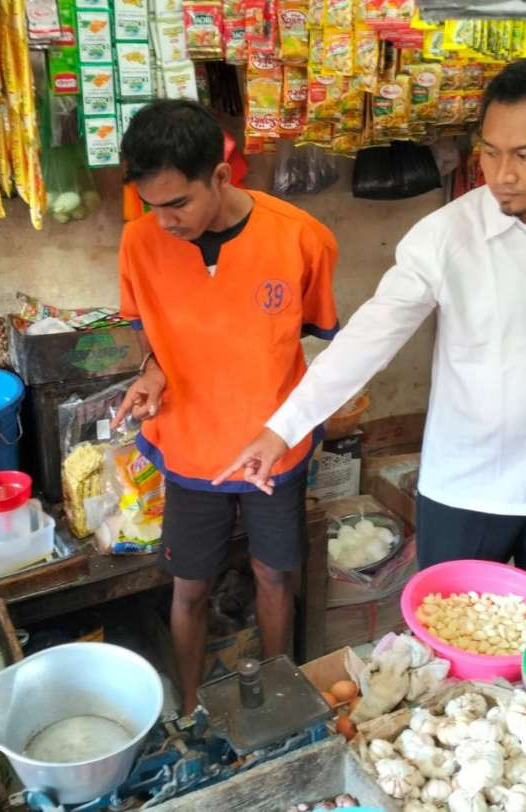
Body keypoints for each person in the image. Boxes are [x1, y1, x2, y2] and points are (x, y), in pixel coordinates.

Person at [215, 57, 526, 575]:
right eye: (490, 152)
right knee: (452, 638)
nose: (502, 175)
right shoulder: (445, 236)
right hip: (471, 488)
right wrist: (281, 430)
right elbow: (368, 340)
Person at [111, 100, 339, 713]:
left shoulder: (300, 238)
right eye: (150, 205)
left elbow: (323, 344)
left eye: (178, 203)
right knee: (188, 586)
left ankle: (276, 694)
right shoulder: (139, 243)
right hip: (189, 444)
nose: (164, 221)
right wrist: (152, 368)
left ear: (221, 175)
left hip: (275, 447)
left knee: (274, 575)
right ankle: (186, 709)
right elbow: (144, 326)